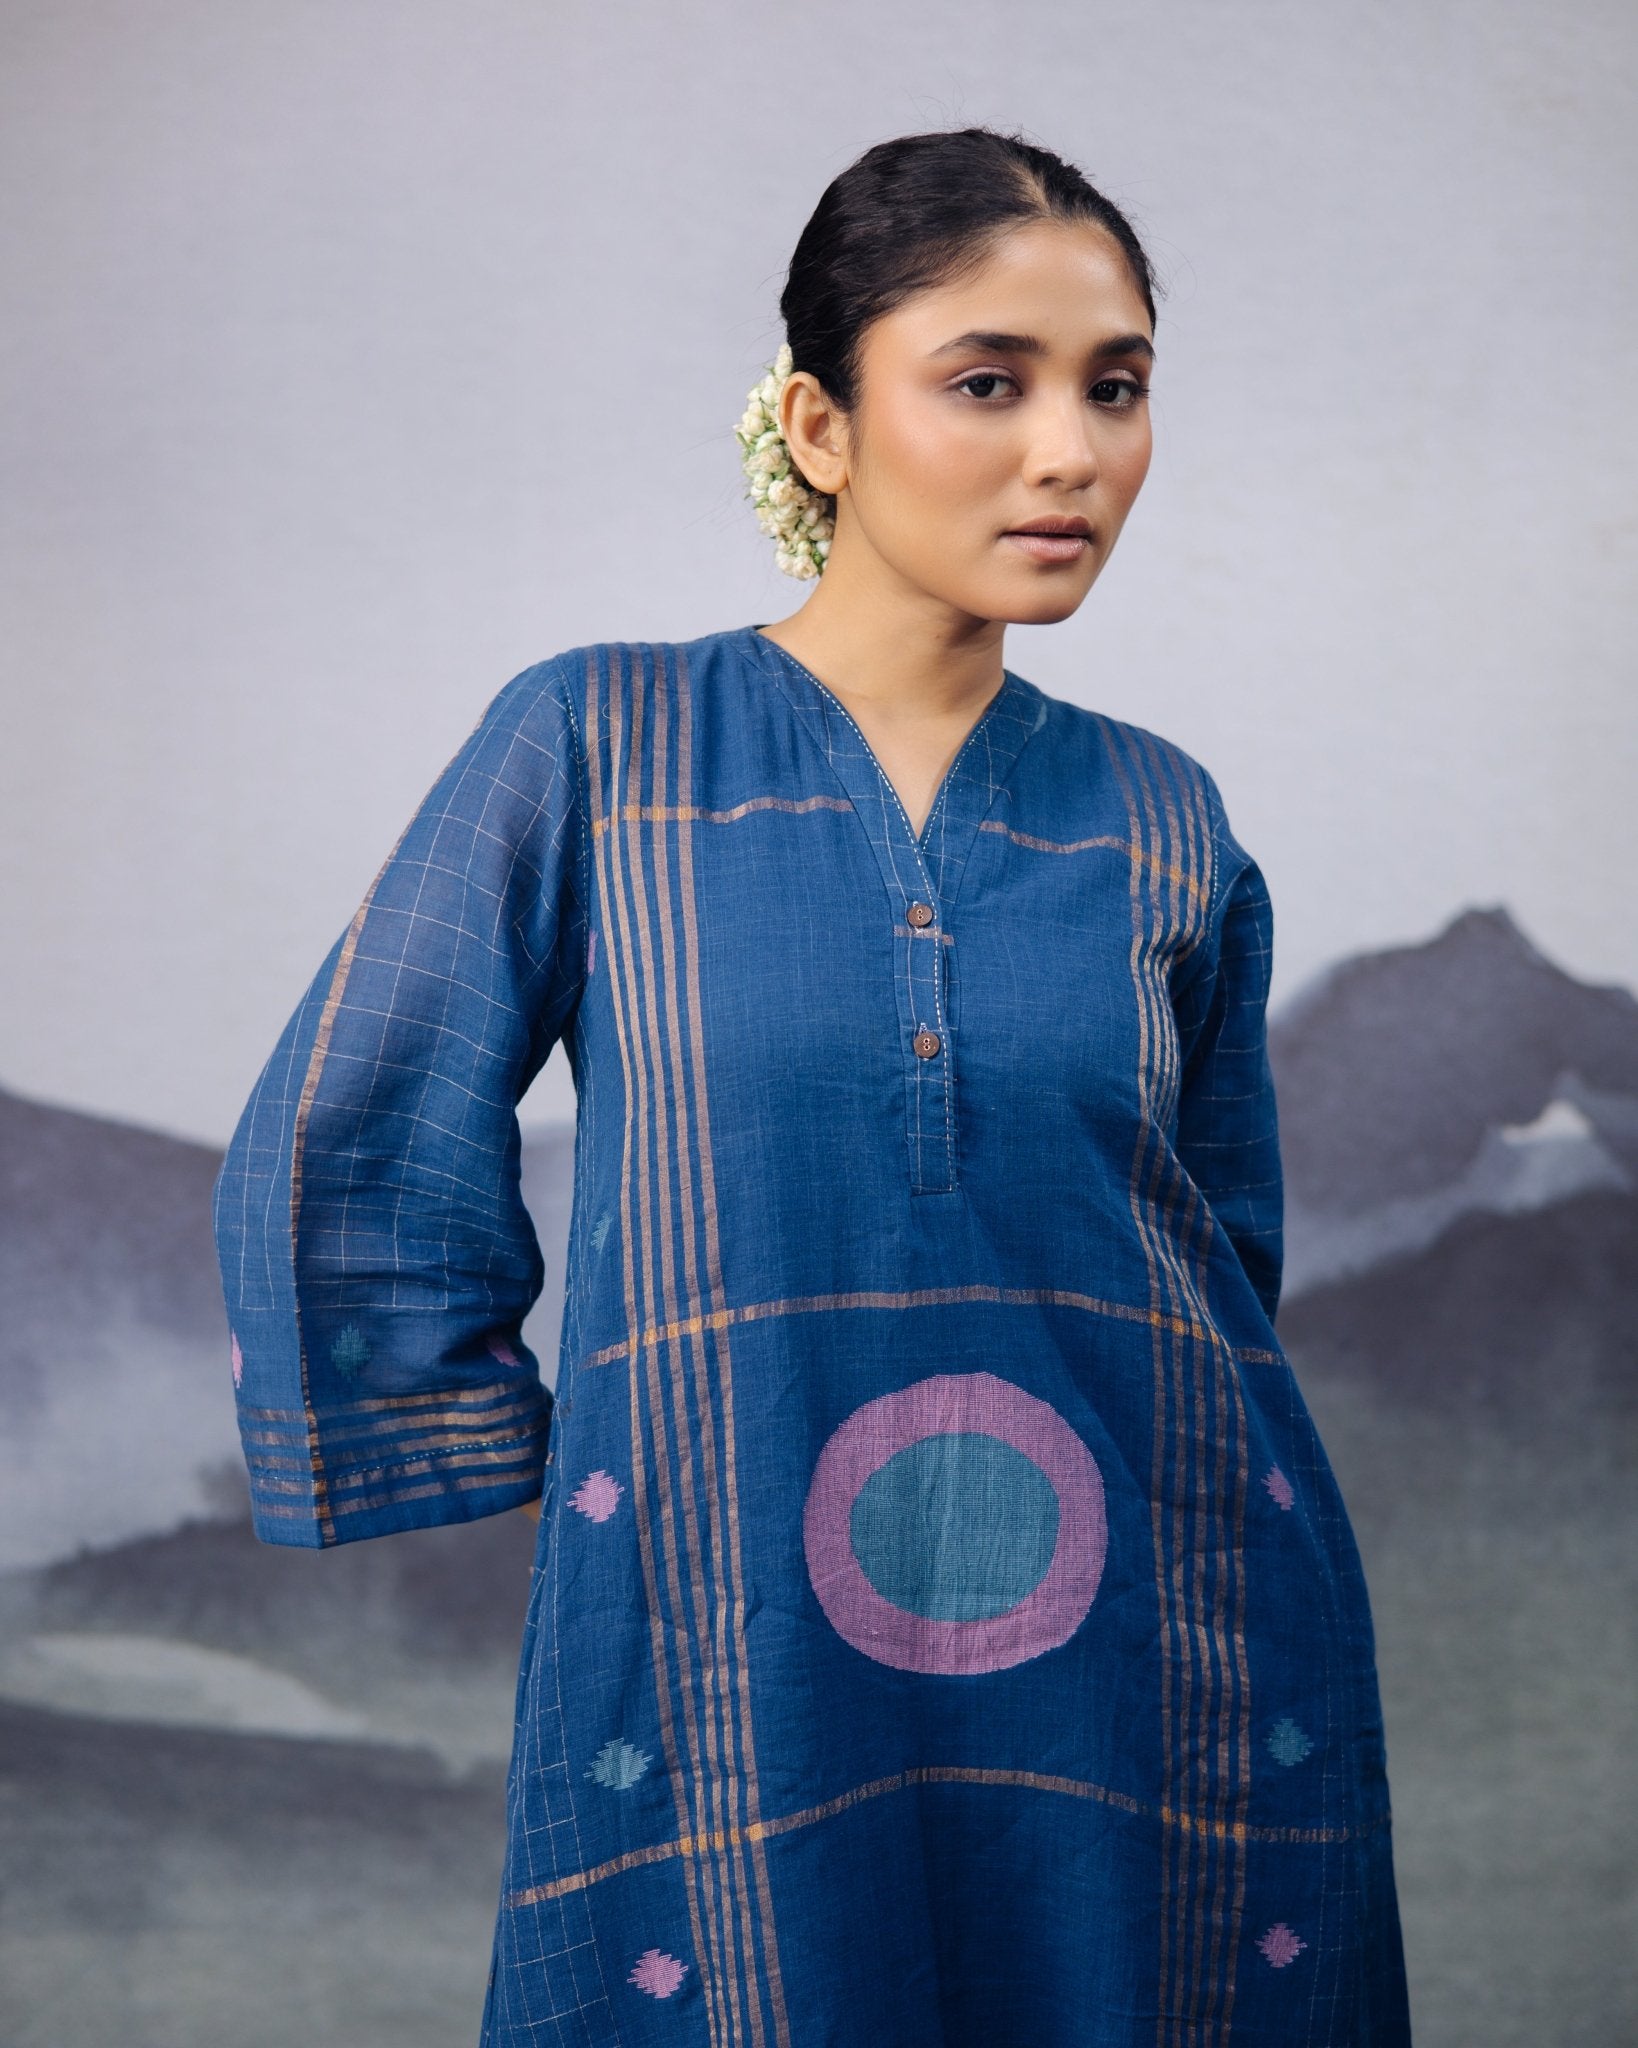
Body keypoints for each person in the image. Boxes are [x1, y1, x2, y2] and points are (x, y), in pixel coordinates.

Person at [213, 124, 1413, 2046]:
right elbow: (351, 1105)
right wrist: (465, 1422)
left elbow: (1216, 1244)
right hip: (725, 1591)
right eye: (986, 383)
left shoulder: (1161, 816)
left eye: (1113, 389)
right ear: (819, 426)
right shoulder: (603, 744)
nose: (1069, 452)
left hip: (1138, 1617)